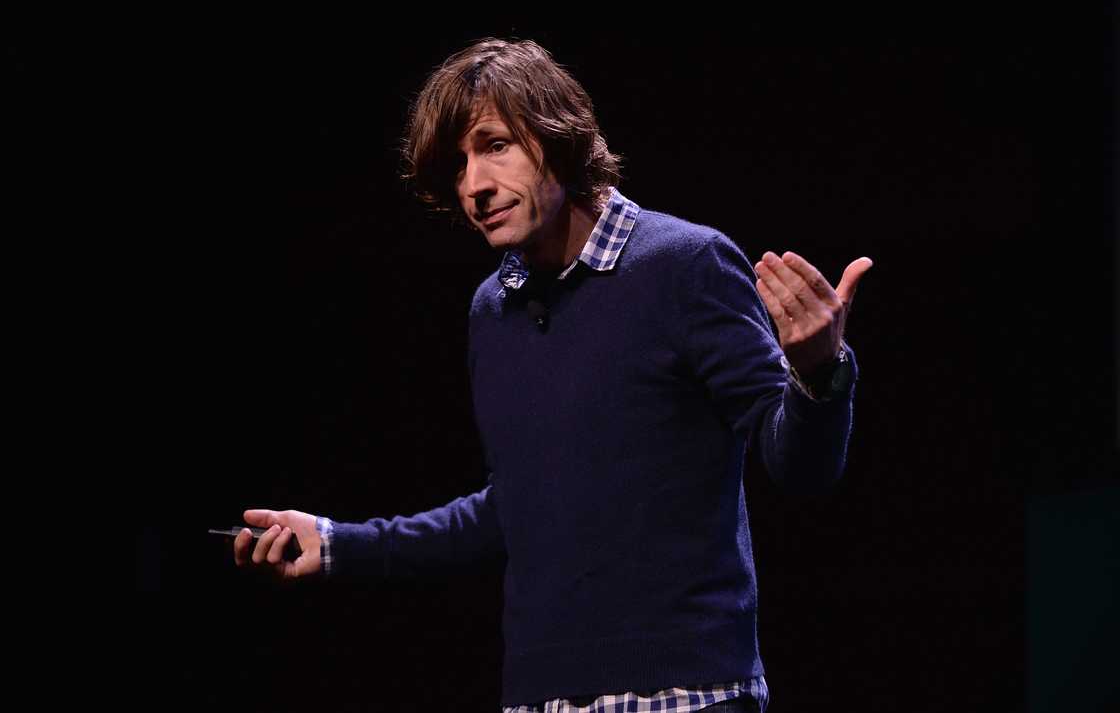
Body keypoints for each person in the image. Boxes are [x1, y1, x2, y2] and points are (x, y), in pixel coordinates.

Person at [234, 38, 872, 712]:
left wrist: (818, 372)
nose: (473, 185)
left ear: (556, 135)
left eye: (495, 145)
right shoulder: (493, 309)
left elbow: (801, 469)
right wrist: (338, 545)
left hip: (685, 692)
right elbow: (516, 511)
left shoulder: (685, 266)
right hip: (543, 696)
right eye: (456, 165)